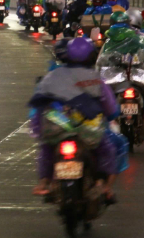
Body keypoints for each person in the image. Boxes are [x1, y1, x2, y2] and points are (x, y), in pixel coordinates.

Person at [29, 38, 122, 202]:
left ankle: (44, 182)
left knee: (47, 149)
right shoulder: (95, 79)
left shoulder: (53, 76)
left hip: (56, 129)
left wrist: (39, 127)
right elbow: (110, 108)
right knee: (106, 149)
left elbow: (39, 105)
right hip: (88, 133)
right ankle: (102, 184)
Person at [96, 11, 144, 132]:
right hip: (137, 78)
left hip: (118, 80)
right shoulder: (142, 39)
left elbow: (100, 63)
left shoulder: (109, 42)